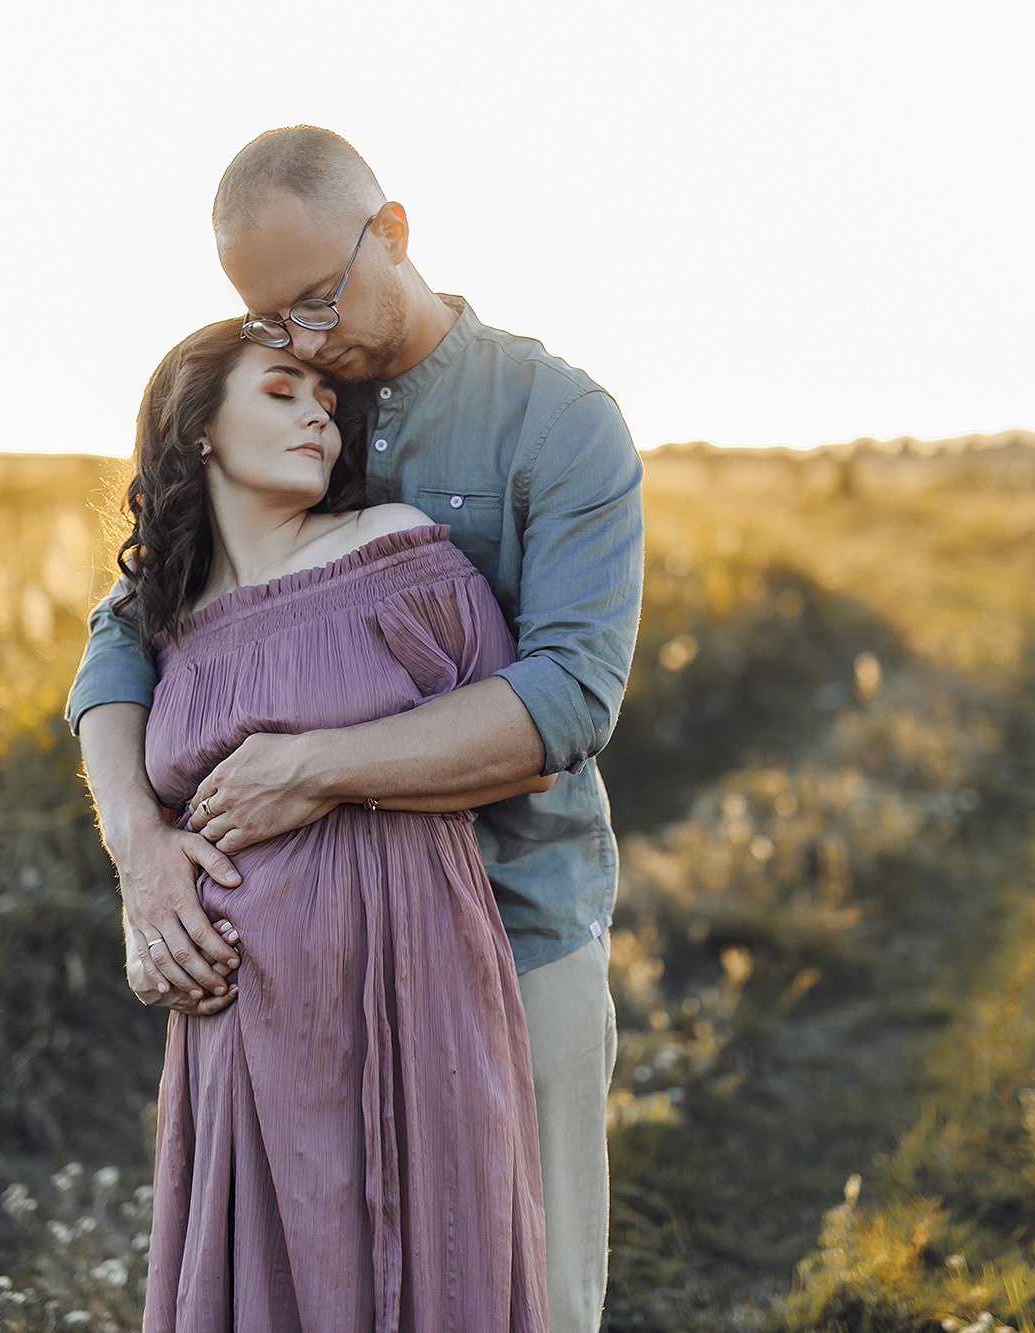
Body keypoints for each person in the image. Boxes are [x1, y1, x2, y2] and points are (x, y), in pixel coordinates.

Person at [68, 126, 643, 1332]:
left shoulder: (554, 420)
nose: (311, 345)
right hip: (297, 964)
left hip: (516, 918)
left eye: (320, 300)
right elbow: (131, 628)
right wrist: (140, 847)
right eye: (276, 324)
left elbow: (566, 700)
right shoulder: (296, 419)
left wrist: (319, 771)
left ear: (392, 230)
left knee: (521, 1293)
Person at [115, 319, 550, 1329]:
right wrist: (148, 898)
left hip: (407, 975)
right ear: (200, 430)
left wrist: (331, 779)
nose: (318, 410)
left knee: (432, 1255)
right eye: (280, 389)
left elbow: (513, 752)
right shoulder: (163, 626)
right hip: (237, 1016)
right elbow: (148, 793)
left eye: (324, 397)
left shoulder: (391, 550)